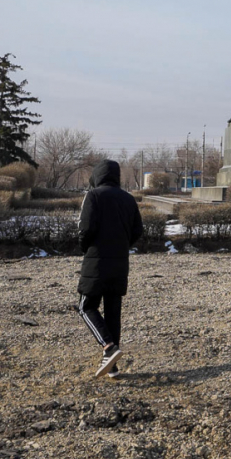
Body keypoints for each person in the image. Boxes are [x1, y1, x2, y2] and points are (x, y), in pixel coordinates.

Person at [77, 159, 143, 378]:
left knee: (86, 307)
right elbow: (137, 231)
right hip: (120, 262)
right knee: (113, 312)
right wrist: (122, 245)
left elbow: (85, 228)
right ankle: (112, 365)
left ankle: (108, 346)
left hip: (96, 260)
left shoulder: (93, 195)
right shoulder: (128, 199)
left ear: (97, 175)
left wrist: (85, 247)